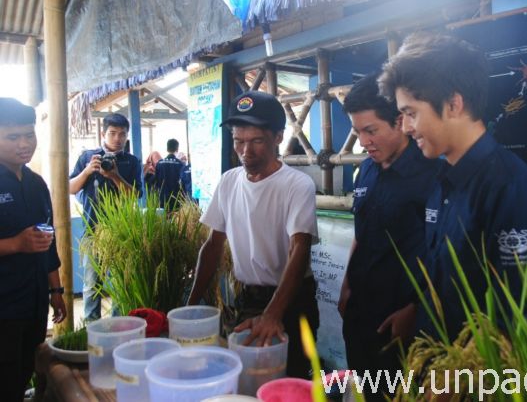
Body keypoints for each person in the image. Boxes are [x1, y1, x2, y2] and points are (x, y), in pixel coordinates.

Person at [378, 33, 527, 341]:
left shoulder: (514, 191)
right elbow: (450, 277)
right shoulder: (443, 181)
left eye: (411, 113)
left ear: (454, 104)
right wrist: (419, 311)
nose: (406, 128)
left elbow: (520, 320)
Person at [187, 90, 319, 378]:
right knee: (248, 380)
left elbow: (299, 249)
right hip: (249, 299)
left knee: (290, 382)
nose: (246, 151)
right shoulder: (229, 182)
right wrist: (190, 304)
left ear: (278, 137)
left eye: (256, 141)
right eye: (239, 141)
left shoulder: (297, 185)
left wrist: (273, 314)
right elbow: (213, 245)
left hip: (291, 299)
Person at [337, 75, 441, 399]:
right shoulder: (366, 169)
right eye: (357, 132)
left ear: (399, 121)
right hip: (360, 316)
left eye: (371, 130)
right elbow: (361, 231)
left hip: (401, 323)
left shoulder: (432, 174)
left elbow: (444, 252)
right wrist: (346, 283)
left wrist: (417, 310)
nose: (363, 142)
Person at [0, 98, 66, 402]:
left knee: (25, 368)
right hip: (4, 307)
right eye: (13, 137)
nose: (24, 144)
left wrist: (56, 290)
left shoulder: (37, 183)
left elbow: (47, 242)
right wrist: (16, 244)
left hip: (34, 302)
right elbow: (26, 242)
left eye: (29, 135)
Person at [69, 113, 142, 321]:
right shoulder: (88, 157)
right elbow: (70, 188)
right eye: (112, 133)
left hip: (121, 233)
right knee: (91, 286)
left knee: (121, 284)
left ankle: (118, 326)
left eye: (122, 134)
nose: (117, 138)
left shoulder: (132, 162)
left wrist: (114, 175)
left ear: (127, 136)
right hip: (92, 231)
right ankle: (91, 329)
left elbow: (135, 196)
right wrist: (86, 171)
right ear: (103, 134)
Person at [154, 139, 185, 208]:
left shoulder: (159, 163)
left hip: (163, 197)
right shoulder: (180, 164)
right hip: (176, 198)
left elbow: (156, 182)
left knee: (163, 214)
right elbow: (182, 183)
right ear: (177, 149)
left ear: (167, 149)